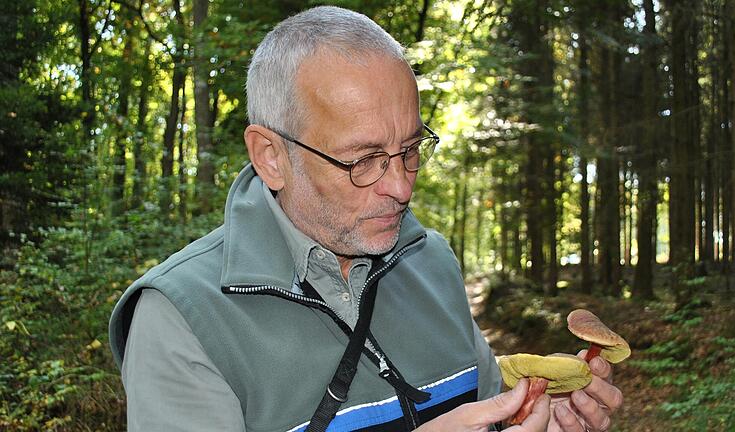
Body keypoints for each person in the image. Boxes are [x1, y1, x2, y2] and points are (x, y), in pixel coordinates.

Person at [108, 6, 623, 432]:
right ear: (271, 156)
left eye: (410, 149)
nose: (400, 187)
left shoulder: (432, 262)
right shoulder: (184, 318)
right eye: (362, 160)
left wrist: (533, 420)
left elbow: (485, 408)